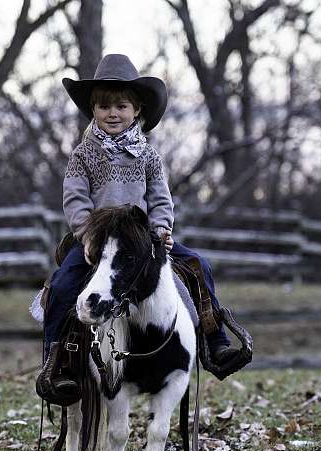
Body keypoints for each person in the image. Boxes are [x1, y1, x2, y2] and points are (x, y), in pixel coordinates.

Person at [42, 53, 244, 381]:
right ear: (93, 110)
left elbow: (160, 199)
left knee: (197, 266)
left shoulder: (148, 156)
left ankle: (214, 342)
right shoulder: (83, 155)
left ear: (137, 111)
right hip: (97, 240)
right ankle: (59, 360)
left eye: (121, 106)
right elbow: (75, 199)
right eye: (104, 106)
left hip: (141, 240)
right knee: (64, 284)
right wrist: (87, 234)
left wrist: (162, 228)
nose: (112, 113)